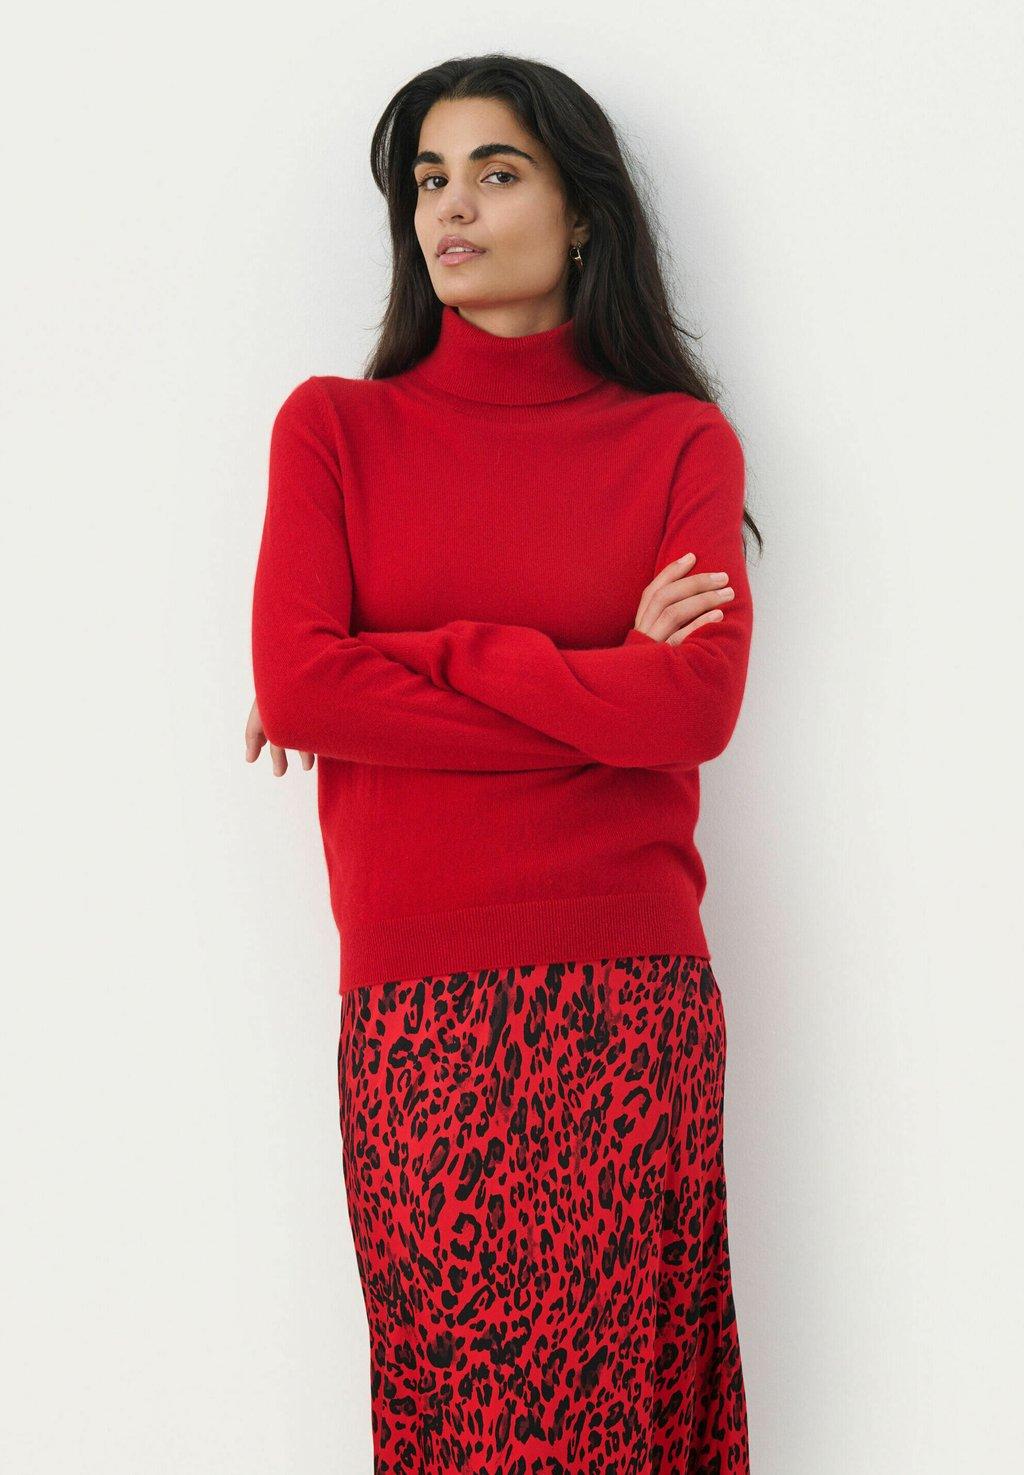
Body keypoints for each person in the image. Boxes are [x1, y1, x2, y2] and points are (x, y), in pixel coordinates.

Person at [246, 52, 760, 1475]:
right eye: (429, 179)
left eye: (496, 170)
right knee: (458, 1420)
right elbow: (301, 683)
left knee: (629, 1418)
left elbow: (692, 710)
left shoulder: (677, 443)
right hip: (417, 1009)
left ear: (582, 211)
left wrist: (411, 658)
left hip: (626, 1000)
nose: (450, 208)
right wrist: (597, 681)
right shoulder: (334, 430)